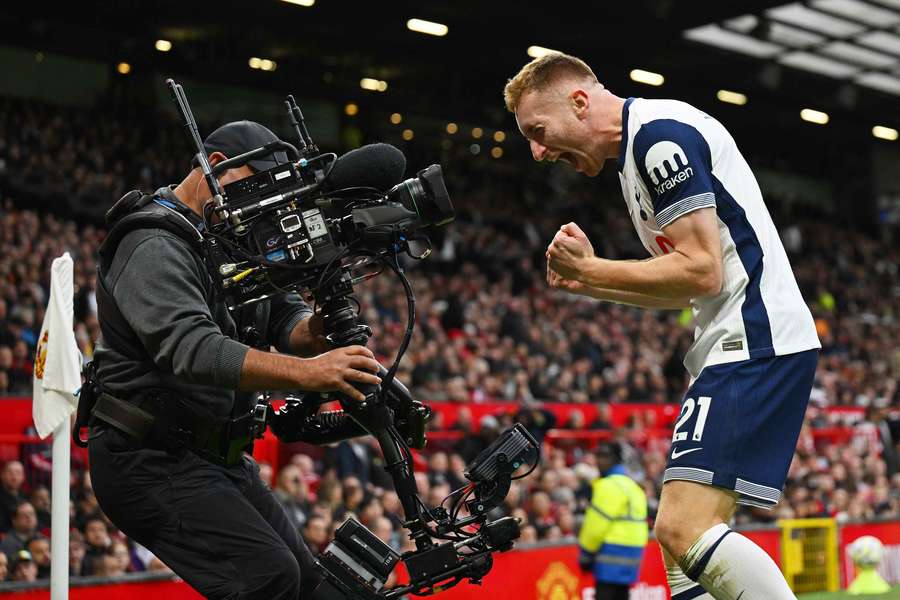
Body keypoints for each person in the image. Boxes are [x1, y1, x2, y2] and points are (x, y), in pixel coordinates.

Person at [505, 52, 820, 600]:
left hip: (755, 336)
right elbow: (686, 283)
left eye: (538, 130)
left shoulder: (658, 138)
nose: (537, 151)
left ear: (579, 101)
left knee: (681, 528)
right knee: (677, 549)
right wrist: (588, 284)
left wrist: (595, 268)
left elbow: (702, 268)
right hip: (736, 339)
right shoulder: (635, 157)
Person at [88, 120, 383, 599]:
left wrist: (328, 316)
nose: (264, 206)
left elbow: (289, 325)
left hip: (215, 456)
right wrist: (310, 375)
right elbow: (193, 348)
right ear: (218, 167)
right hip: (149, 457)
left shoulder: (229, 238)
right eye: (257, 187)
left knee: (313, 586)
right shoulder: (152, 242)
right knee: (268, 580)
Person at [577, 442, 648, 600]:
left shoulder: (608, 485)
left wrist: (586, 553)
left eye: (603, 456)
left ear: (615, 459)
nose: (598, 460)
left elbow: (596, 526)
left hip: (611, 555)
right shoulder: (632, 486)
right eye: (597, 456)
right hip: (632, 556)